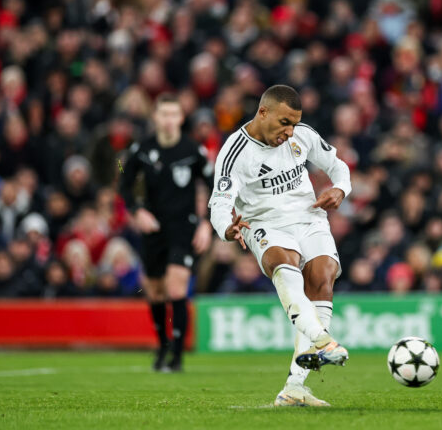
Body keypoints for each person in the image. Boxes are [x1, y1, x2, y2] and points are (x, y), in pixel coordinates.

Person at [208, 85, 352, 407]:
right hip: (265, 224)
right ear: (263, 112)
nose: (289, 132)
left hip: (309, 217)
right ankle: (323, 341)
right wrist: (226, 229)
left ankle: (294, 388)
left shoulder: (302, 135)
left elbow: (337, 165)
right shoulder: (235, 152)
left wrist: (341, 189)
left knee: (323, 274)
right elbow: (220, 201)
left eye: (294, 124)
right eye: (284, 123)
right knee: (286, 267)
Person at [119, 94, 213, 372]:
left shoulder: (193, 150)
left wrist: (207, 222)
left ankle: (177, 357)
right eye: (165, 114)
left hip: (184, 227)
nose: (170, 120)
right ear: (156, 118)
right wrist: (137, 210)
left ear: (181, 119)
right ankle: (162, 347)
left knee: (176, 287)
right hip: (153, 228)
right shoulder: (141, 149)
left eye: (175, 114)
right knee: (156, 292)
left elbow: (214, 184)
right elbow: (122, 176)